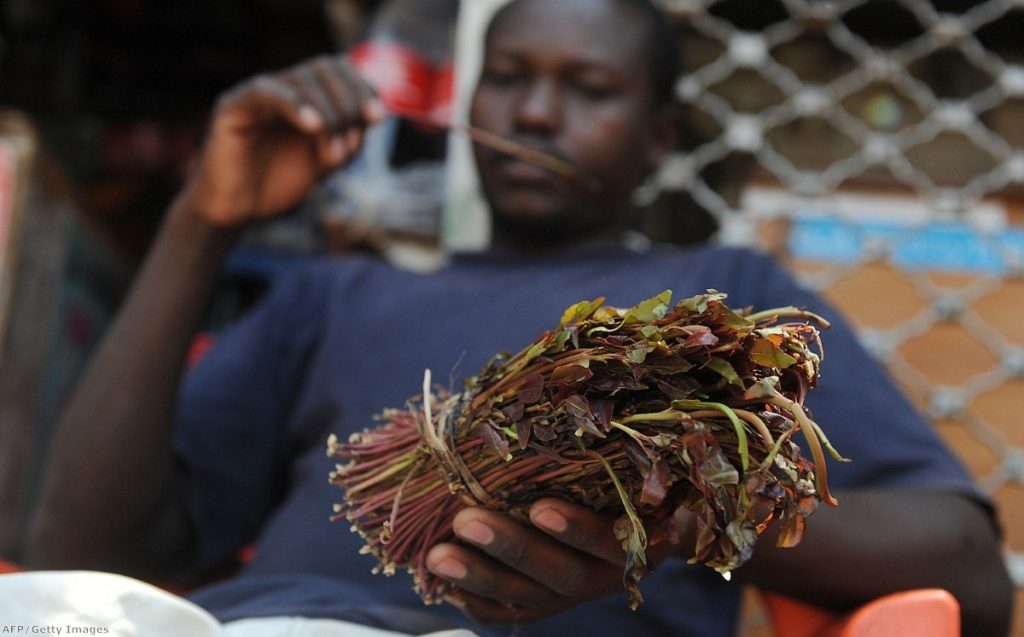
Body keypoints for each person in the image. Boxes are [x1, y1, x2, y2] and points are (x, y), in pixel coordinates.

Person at [25, 0, 1013, 636]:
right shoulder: (342, 292)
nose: (535, 114)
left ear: (658, 136)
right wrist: (203, 217)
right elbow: (88, 547)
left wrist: (670, 512)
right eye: (508, 77)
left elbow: (969, 569)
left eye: (588, 89)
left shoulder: (723, 292)